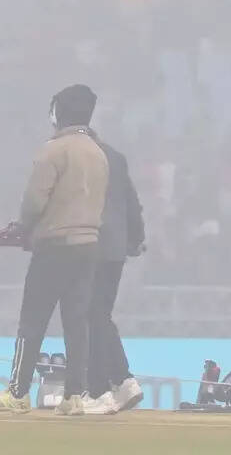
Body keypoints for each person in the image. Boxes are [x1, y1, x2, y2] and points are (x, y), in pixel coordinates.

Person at [0, 84, 107, 416]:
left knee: (32, 322)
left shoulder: (54, 150)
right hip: (88, 246)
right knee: (76, 324)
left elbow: (35, 201)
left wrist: (23, 227)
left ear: (57, 113)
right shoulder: (98, 152)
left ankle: (17, 393)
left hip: (54, 246)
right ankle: (74, 396)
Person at [82, 131, 146, 415]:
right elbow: (132, 203)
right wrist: (135, 239)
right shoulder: (116, 158)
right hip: (115, 249)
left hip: (87, 242)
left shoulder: (73, 156)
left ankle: (103, 389)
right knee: (99, 314)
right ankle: (119, 381)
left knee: (91, 315)